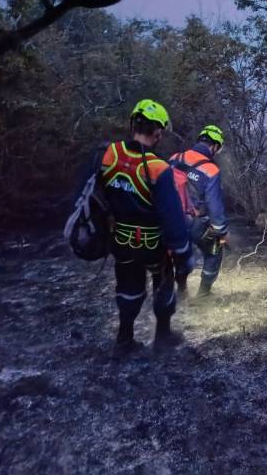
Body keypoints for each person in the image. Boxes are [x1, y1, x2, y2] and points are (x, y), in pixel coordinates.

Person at [98, 99, 191, 353]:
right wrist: (182, 252)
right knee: (163, 284)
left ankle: (124, 338)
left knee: (128, 287)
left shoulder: (108, 154)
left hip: (120, 240)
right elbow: (172, 217)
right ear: (158, 132)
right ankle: (162, 336)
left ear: (132, 124)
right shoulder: (159, 168)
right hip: (154, 245)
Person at [169, 124, 229, 298]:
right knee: (214, 251)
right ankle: (203, 295)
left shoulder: (175, 157)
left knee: (181, 254)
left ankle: (181, 290)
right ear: (214, 145)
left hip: (170, 220)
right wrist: (221, 230)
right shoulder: (211, 169)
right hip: (194, 222)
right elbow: (214, 204)